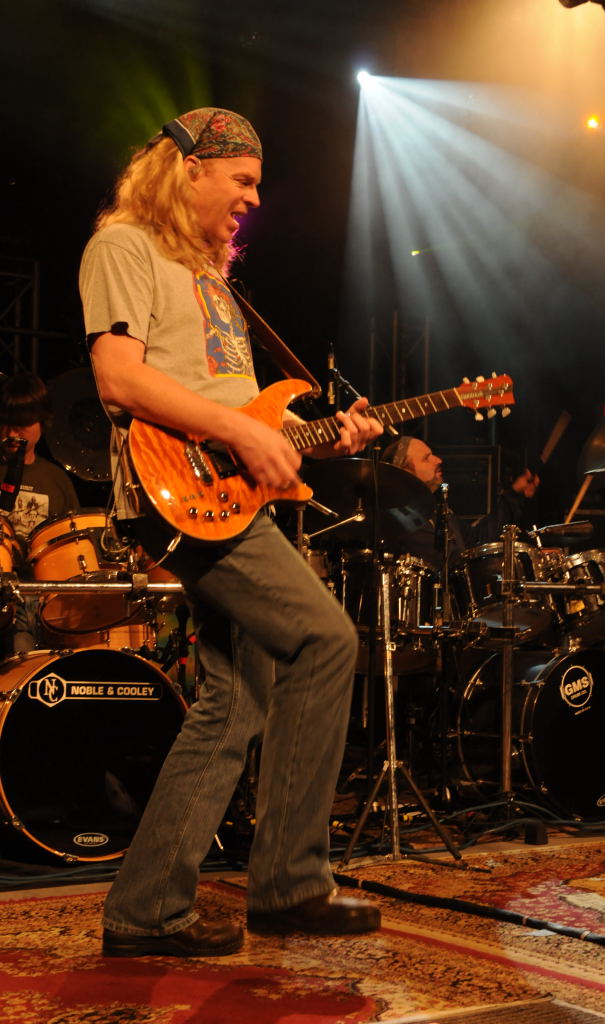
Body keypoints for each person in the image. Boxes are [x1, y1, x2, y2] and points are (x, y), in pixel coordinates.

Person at [79, 106, 383, 958]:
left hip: (229, 496)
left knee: (235, 698)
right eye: (242, 180)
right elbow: (117, 378)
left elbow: (248, 413)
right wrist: (238, 435)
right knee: (327, 638)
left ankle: (147, 910)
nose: (252, 198)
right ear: (190, 170)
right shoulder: (124, 244)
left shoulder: (212, 278)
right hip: (175, 489)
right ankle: (289, 883)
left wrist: (314, 437)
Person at [0, 372, 80, 652]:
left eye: (22, 425)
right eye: (7, 423)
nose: (12, 434)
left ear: (42, 423)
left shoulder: (57, 480)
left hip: (42, 597)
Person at [381, 435, 540, 567]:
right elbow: (451, 562)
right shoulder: (401, 520)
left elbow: (478, 539)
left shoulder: (437, 512)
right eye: (426, 458)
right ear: (405, 471)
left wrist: (514, 493)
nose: (438, 460)